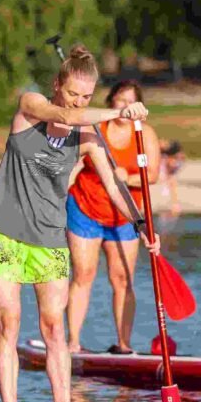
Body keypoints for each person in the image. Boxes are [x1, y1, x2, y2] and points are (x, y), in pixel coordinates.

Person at [0, 45, 156, 402]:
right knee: (8, 323)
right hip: (5, 231)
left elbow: (114, 186)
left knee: (54, 329)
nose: (78, 102)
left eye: (86, 96)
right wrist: (119, 113)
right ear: (57, 85)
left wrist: (142, 224)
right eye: (73, 93)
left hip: (49, 238)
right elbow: (64, 116)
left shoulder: (88, 136)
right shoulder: (31, 107)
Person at [66, 80, 161, 355]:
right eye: (121, 100)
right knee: (83, 275)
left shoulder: (145, 133)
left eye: (131, 102)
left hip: (125, 216)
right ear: (111, 102)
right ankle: (73, 343)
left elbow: (152, 175)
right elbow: (72, 160)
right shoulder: (96, 128)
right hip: (85, 207)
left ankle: (124, 344)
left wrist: (127, 178)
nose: (125, 107)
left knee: (122, 280)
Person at [159, 138, 185, 215]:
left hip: (171, 165)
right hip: (169, 165)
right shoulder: (168, 152)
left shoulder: (173, 152)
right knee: (171, 183)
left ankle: (175, 205)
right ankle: (175, 204)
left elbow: (172, 164)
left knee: (172, 183)